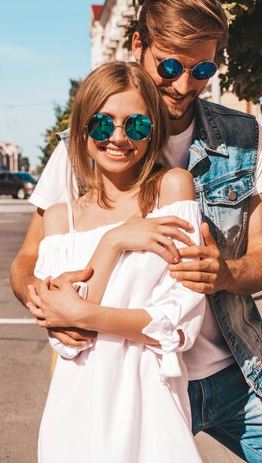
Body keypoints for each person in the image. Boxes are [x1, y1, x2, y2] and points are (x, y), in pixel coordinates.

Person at [11, 0, 262, 461]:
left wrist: (225, 273)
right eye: (170, 65)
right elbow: (27, 260)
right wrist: (46, 300)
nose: (182, 84)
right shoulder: (85, 148)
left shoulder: (244, 139)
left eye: (202, 71)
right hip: (132, 382)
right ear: (138, 45)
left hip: (235, 378)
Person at [29, 60, 205, 463]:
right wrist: (113, 241)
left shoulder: (172, 188)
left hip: (151, 410)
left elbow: (179, 325)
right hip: (72, 416)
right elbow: (66, 339)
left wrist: (82, 312)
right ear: (83, 128)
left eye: (137, 125)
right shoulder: (60, 217)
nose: (119, 138)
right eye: (103, 124)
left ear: (154, 129)